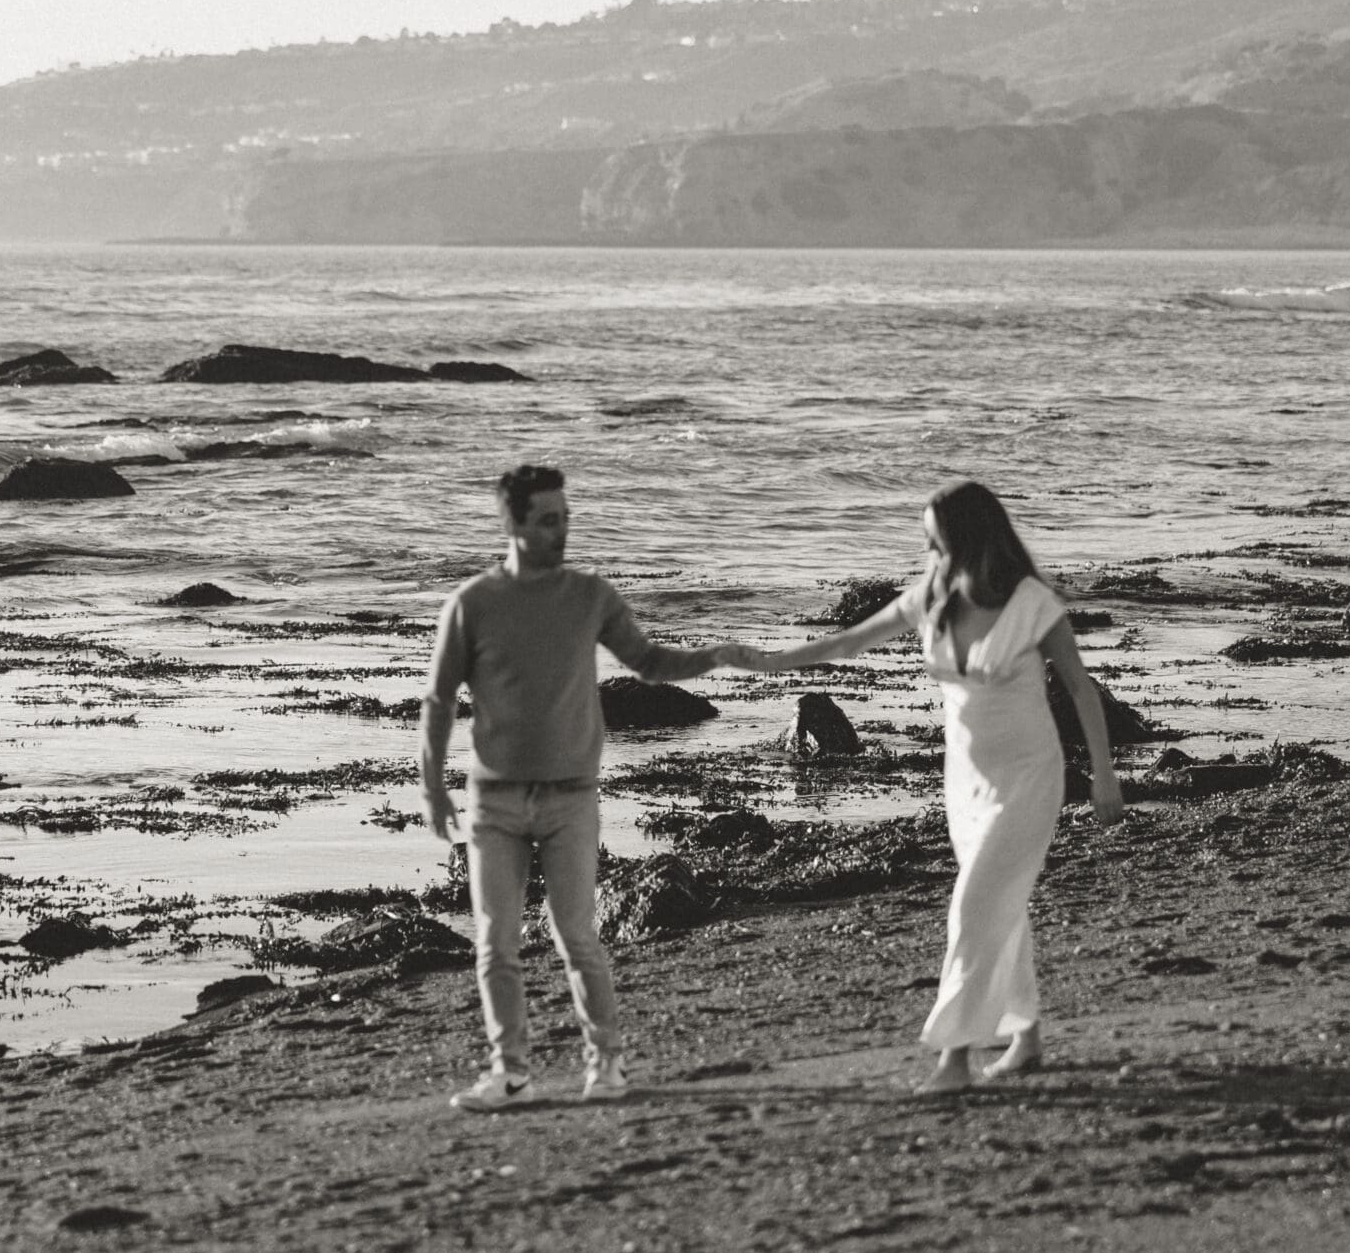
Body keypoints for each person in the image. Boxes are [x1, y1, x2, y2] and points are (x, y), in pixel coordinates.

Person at [732, 481, 1124, 1094]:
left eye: (938, 540)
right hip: (964, 780)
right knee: (1001, 904)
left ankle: (955, 1059)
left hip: (1028, 776)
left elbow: (1079, 689)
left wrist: (1103, 775)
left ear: (969, 537)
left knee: (973, 906)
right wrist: (768, 661)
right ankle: (1026, 1037)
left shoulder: (1030, 602)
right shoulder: (932, 597)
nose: (930, 552)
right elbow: (848, 641)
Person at [419, 464, 743, 1112]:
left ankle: (608, 1065)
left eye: (565, 517)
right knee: (496, 944)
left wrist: (716, 653)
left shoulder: (590, 595)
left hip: (572, 797)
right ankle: (509, 1072)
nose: (560, 530)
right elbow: (438, 698)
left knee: (578, 938)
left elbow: (648, 663)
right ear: (510, 523)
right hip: (495, 800)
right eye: (546, 519)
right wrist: (432, 786)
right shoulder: (473, 603)